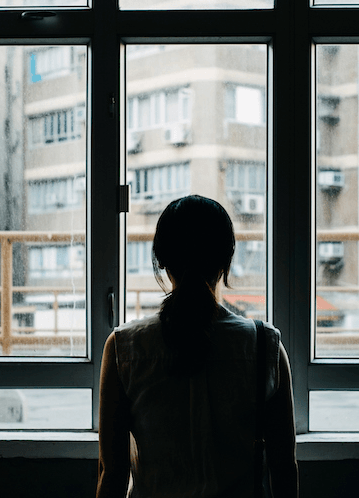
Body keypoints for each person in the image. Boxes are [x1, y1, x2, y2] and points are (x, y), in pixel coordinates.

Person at [97, 195, 298, 498]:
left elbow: (112, 474)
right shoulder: (264, 346)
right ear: (227, 260)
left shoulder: (124, 348)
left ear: (161, 260)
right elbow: (283, 469)